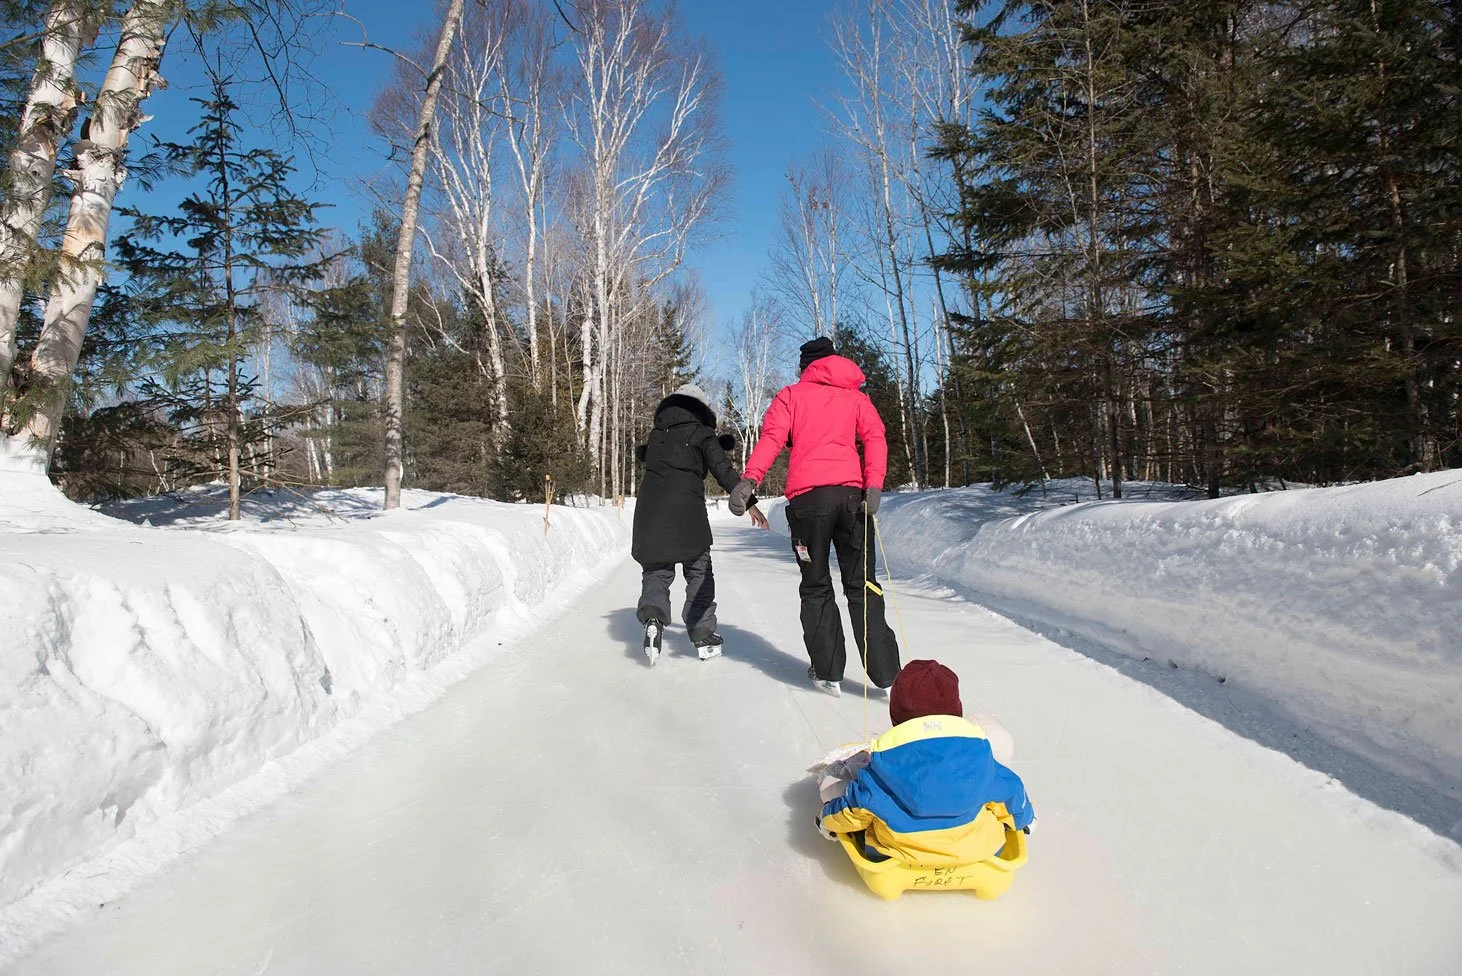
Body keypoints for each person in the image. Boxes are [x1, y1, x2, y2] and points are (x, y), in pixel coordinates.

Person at [728, 336, 899, 696]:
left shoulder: (792, 395)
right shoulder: (857, 397)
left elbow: (773, 438)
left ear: (805, 366)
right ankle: (886, 677)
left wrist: (750, 479)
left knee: (817, 585)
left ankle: (828, 673)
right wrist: (874, 485)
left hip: (808, 505)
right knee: (862, 584)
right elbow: (876, 437)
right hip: (853, 499)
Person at [814, 659, 1035, 866]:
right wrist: (1026, 820)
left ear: (896, 717)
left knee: (850, 794)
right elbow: (1011, 789)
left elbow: (854, 806)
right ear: (956, 711)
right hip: (975, 852)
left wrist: (827, 821)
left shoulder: (884, 763)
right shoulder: (978, 755)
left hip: (895, 854)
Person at [633, 383, 767, 666]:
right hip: (687, 512)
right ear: (702, 409)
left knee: (657, 571)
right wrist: (749, 502)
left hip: (650, 512)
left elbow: (646, 457)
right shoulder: (702, 432)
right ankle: (703, 633)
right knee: (699, 571)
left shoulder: (657, 434)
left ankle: (654, 619)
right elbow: (723, 470)